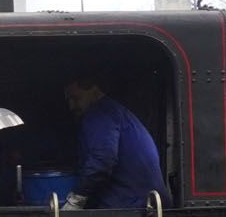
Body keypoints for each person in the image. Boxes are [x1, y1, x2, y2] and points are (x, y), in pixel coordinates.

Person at [62, 76, 169, 209]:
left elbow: (102, 160)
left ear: (94, 90)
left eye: (75, 98)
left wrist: (77, 198)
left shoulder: (99, 114)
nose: (72, 106)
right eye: (69, 101)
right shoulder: (116, 112)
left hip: (130, 203)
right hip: (145, 201)